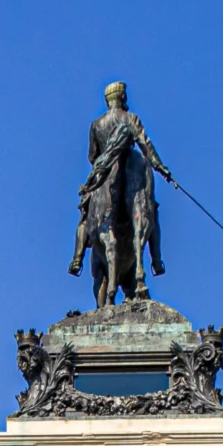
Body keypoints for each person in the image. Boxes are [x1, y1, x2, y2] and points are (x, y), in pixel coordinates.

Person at [69, 81, 173, 308]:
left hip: (107, 171)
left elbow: (92, 156)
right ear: (123, 97)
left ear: (107, 100)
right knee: (149, 211)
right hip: (135, 167)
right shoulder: (131, 118)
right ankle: (154, 262)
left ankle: (77, 258)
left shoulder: (97, 124)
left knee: (87, 215)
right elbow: (145, 144)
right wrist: (160, 166)